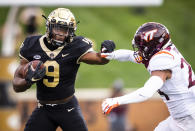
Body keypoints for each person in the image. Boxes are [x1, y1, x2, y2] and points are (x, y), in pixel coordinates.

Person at [12, 8, 115, 131]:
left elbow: (100, 59)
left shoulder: (76, 45)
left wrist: (106, 52)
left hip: (68, 108)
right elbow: (16, 84)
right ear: (49, 26)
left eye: (65, 29)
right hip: (44, 108)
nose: (61, 34)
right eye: (58, 28)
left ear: (71, 32)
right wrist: (28, 80)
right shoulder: (32, 44)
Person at [101, 22, 195, 131]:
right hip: (182, 116)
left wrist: (116, 101)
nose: (139, 51)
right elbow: (129, 55)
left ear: (152, 45)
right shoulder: (162, 52)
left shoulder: (162, 60)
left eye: (142, 47)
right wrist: (110, 55)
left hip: (188, 118)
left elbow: (146, 92)